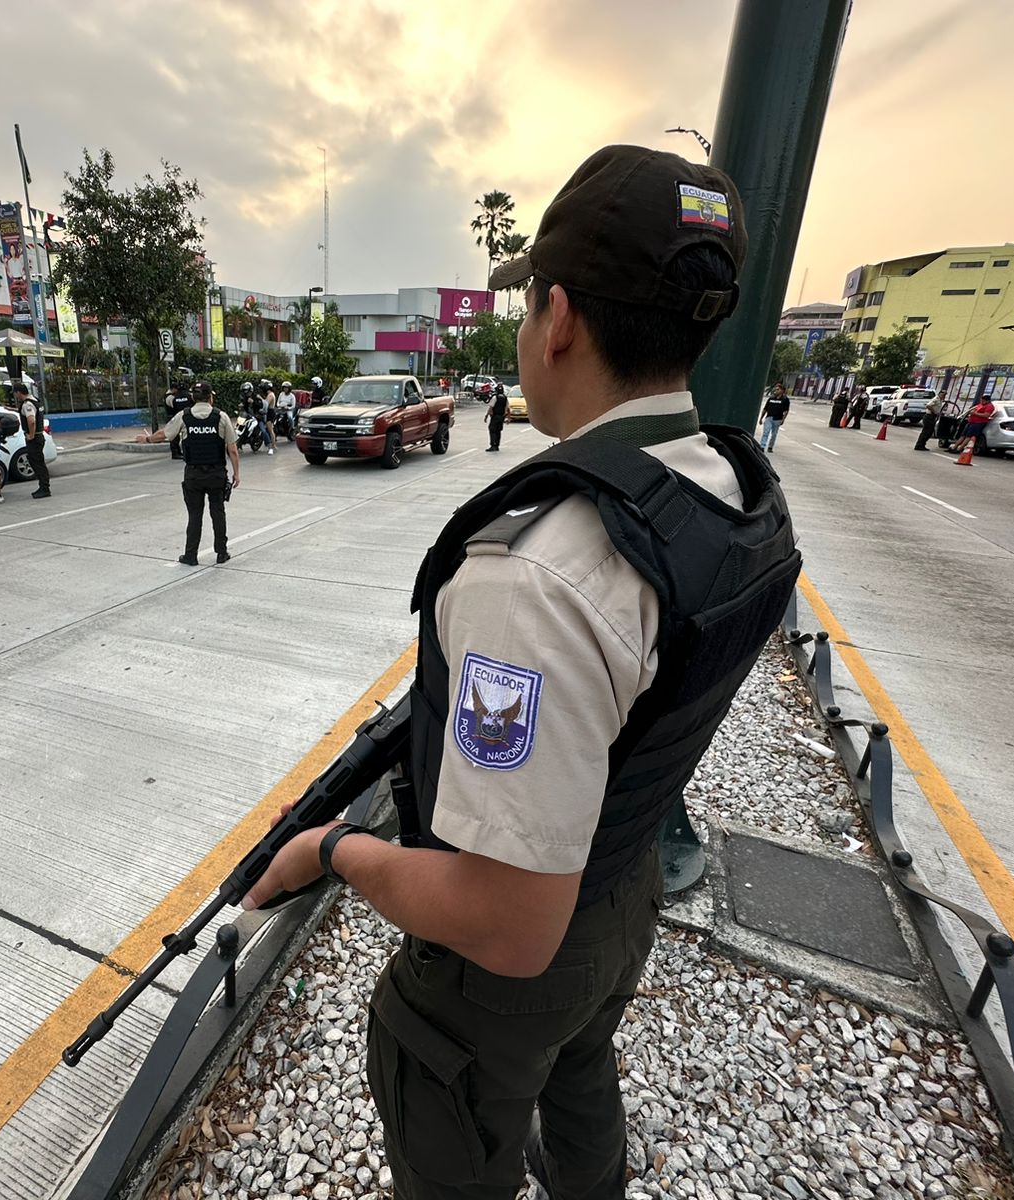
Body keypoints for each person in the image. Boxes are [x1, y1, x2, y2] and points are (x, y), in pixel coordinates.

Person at [242, 145, 798, 1200]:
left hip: (520, 957)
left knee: (446, 1090)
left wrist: (336, 850)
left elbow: (506, 922)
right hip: (621, 884)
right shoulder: (728, 485)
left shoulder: (538, 575)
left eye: (527, 302)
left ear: (558, 320)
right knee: (579, 1068)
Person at [137, 380, 240, 564]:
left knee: (194, 515)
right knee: (218, 513)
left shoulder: (183, 416)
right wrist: (236, 474)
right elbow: (232, 449)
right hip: (216, 474)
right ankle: (221, 553)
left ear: (193, 397)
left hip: (193, 475)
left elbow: (164, 434)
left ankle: (191, 555)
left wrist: (147, 439)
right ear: (210, 397)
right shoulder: (221, 417)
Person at [12, 381, 51, 498]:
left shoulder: (27, 404)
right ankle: (43, 486)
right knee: (38, 462)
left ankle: (44, 488)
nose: (15, 396)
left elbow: (31, 421)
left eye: (15, 393)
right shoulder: (35, 400)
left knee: (37, 463)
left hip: (34, 438)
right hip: (39, 437)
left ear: (18, 393)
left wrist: (31, 435)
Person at [759, 383, 789, 452]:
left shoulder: (785, 400)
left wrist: (783, 419)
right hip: (769, 418)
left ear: (782, 390)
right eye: (775, 389)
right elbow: (765, 409)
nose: (776, 391)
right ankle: (762, 446)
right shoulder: (771, 398)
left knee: (774, 434)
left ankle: (770, 447)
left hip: (777, 419)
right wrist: (761, 418)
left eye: (778, 389)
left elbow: (786, 411)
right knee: (766, 432)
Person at [486, 381, 508, 451]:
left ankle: (493, 445)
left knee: (492, 430)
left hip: (495, 416)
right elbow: (506, 408)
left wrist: (486, 416)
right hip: (501, 417)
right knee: (498, 431)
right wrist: (506, 417)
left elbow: (491, 408)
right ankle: (497, 445)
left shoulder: (495, 397)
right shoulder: (505, 397)